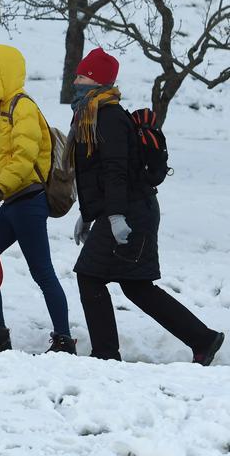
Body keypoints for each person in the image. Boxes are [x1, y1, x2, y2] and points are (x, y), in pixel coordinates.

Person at [70, 48, 224, 364]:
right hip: (130, 209)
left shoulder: (108, 117)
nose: (76, 80)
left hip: (130, 212)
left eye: (82, 76)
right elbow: (96, 174)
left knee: (90, 275)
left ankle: (105, 353)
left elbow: (115, 170)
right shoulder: (94, 115)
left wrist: (113, 217)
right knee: (136, 286)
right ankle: (203, 339)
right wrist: (88, 216)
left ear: (96, 82)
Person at [0, 45, 74, 353]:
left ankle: (64, 340)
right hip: (13, 202)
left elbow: (24, 159)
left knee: (42, 272)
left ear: (7, 70)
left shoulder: (22, 107)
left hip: (27, 202)